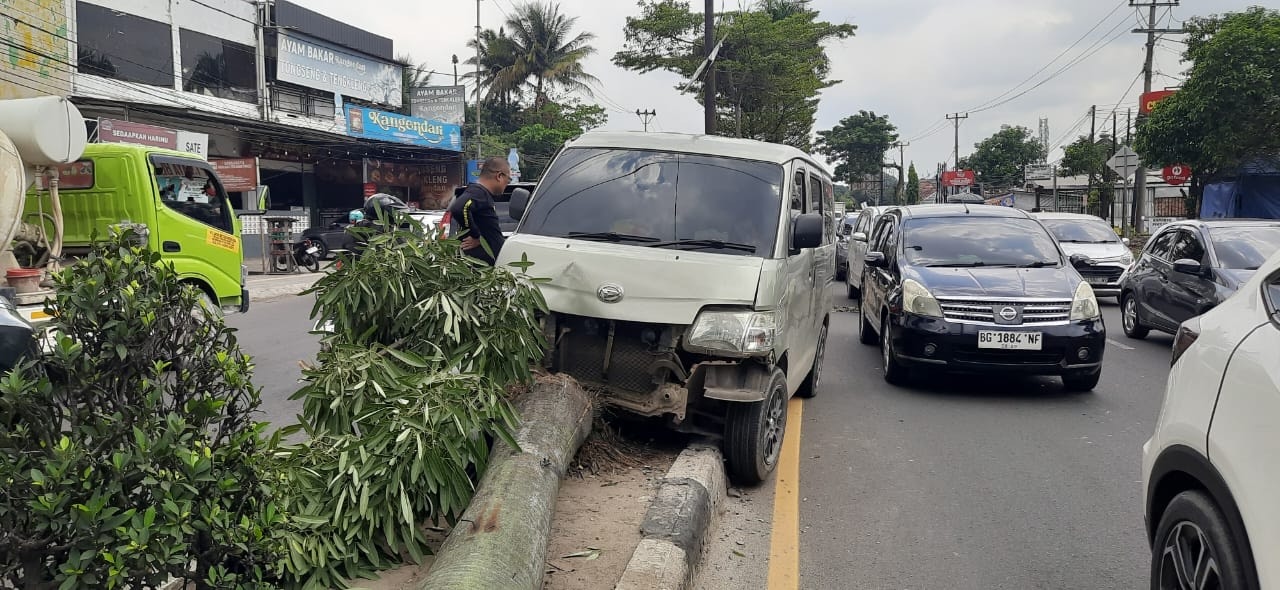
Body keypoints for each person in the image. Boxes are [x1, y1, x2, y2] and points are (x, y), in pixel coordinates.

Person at [451, 156, 511, 265]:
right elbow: (459, 208)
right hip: (480, 269)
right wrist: (476, 236)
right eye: (508, 179)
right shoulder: (478, 192)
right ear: (499, 176)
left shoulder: (481, 194)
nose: (507, 184)